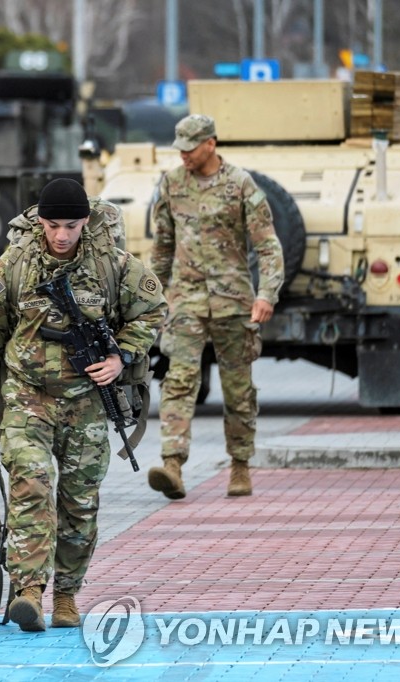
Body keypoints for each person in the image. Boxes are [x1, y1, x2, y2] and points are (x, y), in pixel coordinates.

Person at [0, 178, 166, 632]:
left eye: (71, 225)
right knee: (31, 484)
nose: (61, 235)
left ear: (86, 221)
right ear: (40, 222)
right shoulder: (16, 263)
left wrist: (119, 355)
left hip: (87, 401)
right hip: (28, 396)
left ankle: (67, 594)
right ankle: (29, 590)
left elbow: (152, 311)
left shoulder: (113, 264)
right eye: (52, 225)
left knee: (79, 502)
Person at [147, 114, 284, 500]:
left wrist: (266, 294)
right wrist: (152, 298)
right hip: (186, 301)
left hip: (234, 302)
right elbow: (162, 248)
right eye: (180, 148)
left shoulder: (240, 185)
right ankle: (172, 464)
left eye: (190, 147)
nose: (184, 155)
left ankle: (240, 466)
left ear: (211, 144)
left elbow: (268, 247)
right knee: (178, 380)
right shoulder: (172, 184)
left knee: (238, 390)